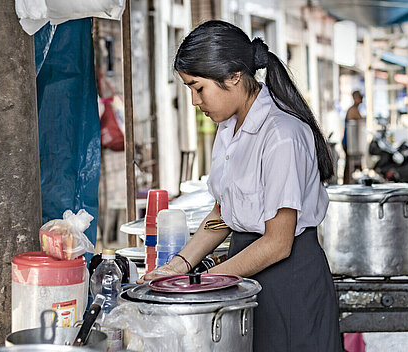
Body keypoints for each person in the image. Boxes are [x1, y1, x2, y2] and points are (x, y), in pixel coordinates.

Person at [138, 20, 341, 351]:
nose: (194, 101)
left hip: (288, 282)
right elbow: (223, 214)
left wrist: (202, 283)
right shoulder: (229, 128)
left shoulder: (280, 135)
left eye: (198, 87)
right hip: (245, 275)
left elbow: (278, 243)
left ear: (233, 76)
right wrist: (178, 266)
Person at [342, 90, 364, 184]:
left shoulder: (355, 109)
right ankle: (346, 184)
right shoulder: (353, 110)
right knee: (349, 166)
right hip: (349, 142)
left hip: (351, 143)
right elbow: (361, 120)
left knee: (349, 166)